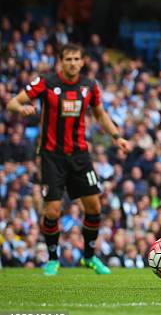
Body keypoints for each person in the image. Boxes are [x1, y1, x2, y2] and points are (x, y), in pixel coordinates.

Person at [7, 43, 131, 276]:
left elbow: (100, 114)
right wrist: (20, 108)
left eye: (77, 59)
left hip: (80, 155)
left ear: (83, 62)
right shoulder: (46, 82)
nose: (73, 63)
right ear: (60, 61)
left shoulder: (90, 86)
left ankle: (89, 256)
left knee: (94, 206)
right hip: (51, 156)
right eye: (69, 59)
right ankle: (53, 259)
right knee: (52, 211)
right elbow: (13, 101)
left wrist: (117, 137)